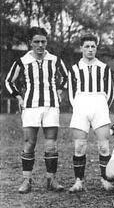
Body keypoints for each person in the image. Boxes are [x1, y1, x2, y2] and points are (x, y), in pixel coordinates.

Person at [5, 27, 68, 193]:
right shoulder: (22, 61)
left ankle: (51, 179)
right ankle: (27, 180)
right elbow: (9, 81)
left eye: (43, 42)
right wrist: (18, 97)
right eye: (37, 42)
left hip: (51, 105)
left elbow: (67, 77)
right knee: (29, 143)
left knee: (51, 144)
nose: (40, 45)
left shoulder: (54, 60)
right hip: (31, 106)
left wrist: (60, 90)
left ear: (46, 42)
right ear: (30, 43)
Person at [67, 33, 114, 192]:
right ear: (81, 48)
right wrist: (79, 107)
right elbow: (71, 93)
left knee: (103, 146)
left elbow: (110, 92)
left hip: (99, 104)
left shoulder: (104, 67)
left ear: (96, 48)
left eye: (93, 46)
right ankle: (79, 181)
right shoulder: (74, 69)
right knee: (79, 146)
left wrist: (101, 106)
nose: (90, 49)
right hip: (81, 104)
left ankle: (105, 179)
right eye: (86, 46)